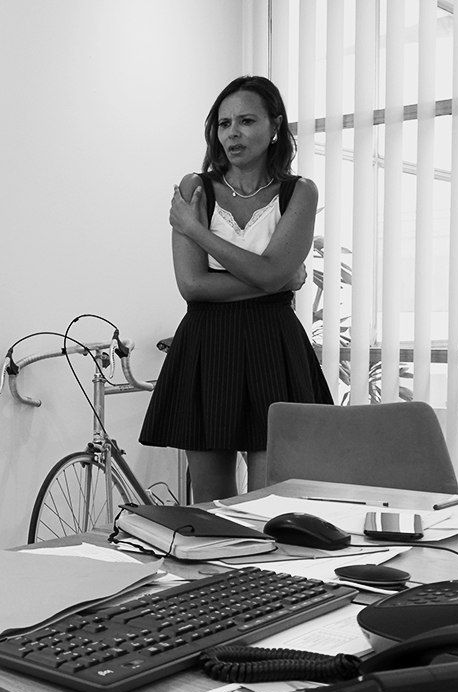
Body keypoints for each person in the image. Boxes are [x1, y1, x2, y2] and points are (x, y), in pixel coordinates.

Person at [139, 76, 333, 502]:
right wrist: (277, 279)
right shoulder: (195, 188)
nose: (233, 133)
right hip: (208, 346)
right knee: (213, 509)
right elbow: (193, 285)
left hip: (275, 347)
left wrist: (196, 231)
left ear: (275, 126)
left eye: (246, 121)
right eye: (224, 124)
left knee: (270, 506)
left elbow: (270, 273)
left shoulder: (299, 192)